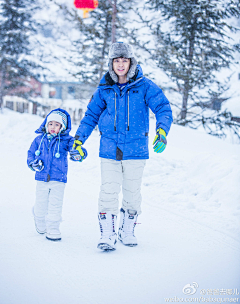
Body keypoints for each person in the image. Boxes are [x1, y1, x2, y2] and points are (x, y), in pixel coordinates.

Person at [73, 42, 173, 251]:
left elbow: (163, 107)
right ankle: (108, 234)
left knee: (132, 192)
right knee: (108, 191)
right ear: (111, 63)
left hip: (136, 149)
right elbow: (91, 116)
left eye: (124, 60)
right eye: (116, 61)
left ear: (131, 62)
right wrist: (79, 139)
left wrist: (162, 130)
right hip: (109, 148)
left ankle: (127, 230)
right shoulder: (104, 89)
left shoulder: (144, 86)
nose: (120, 65)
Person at [27, 108, 86, 241]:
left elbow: (76, 148)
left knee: (55, 204)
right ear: (46, 124)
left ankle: (53, 227)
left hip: (58, 179)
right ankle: (39, 217)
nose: (53, 127)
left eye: (57, 125)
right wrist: (33, 163)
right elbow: (30, 153)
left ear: (63, 127)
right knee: (41, 203)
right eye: (50, 124)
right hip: (42, 177)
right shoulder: (38, 140)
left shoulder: (66, 140)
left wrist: (79, 153)